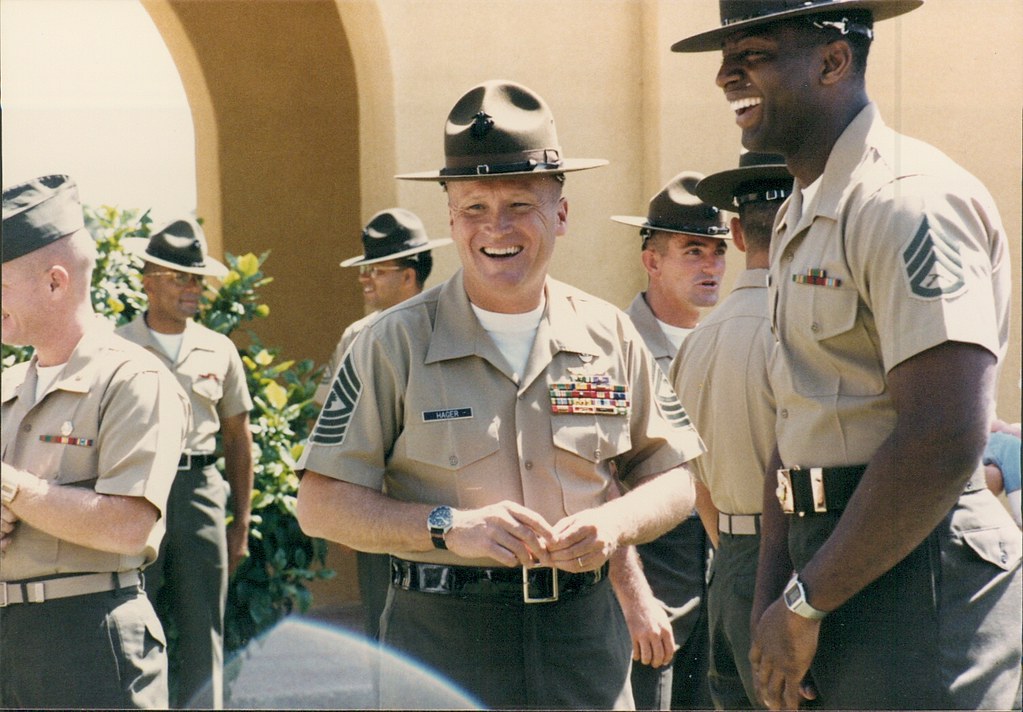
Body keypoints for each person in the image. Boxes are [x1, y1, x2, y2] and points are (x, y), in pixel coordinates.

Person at [296, 79, 705, 710]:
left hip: (583, 644)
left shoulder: (610, 333)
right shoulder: (389, 343)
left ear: (561, 213)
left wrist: (612, 522)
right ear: (450, 219)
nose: (497, 228)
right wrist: (447, 527)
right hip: (442, 644)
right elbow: (320, 504)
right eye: (474, 208)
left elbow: (675, 479)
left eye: (519, 204)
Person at [673, 1, 1021, 709]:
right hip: (827, 561)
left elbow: (944, 435)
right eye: (725, 54)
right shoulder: (806, 210)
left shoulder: (905, 200)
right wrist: (772, 594)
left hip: (915, 563)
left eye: (755, 52)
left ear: (833, 61)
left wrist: (801, 605)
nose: (724, 74)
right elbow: (793, 430)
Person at [0, 174, 188, 708]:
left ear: (56, 282)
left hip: (90, 640)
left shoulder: (133, 380)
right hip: (10, 642)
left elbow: (129, 525)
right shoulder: (9, 387)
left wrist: (14, 490)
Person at [669, 152, 792, 708]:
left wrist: (737, 552)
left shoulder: (695, 339)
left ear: (737, 233)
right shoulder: (805, 325)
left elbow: (692, 480)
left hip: (731, 568)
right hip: (794, 566)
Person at [117, 219, 254, 709]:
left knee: (204, 630)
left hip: (200, 490)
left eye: (197, 278)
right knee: (132, 623)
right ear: (147, 279)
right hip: (136, 493)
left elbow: (238, 438)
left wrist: (240, 523)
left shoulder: (219, 349)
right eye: (180, 277)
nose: (193, 288)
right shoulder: (116, 348)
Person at [611, 171, 730, 709]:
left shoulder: (734, 338)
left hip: (728, 555)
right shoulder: (612, 345)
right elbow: (601, 478)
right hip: (652, 559)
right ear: (652, 260)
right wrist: (633, 595)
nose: (710, 266)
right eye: (692, 251)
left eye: (717, 251)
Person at [312, 207, 452, 639]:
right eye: (364, 270)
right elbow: (329, 420)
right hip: (382, 507)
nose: (365, 279)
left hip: (446, 506)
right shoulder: (358, 336)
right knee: (383, 632)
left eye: (375, 270)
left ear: (409, 274)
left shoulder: (452, 326)